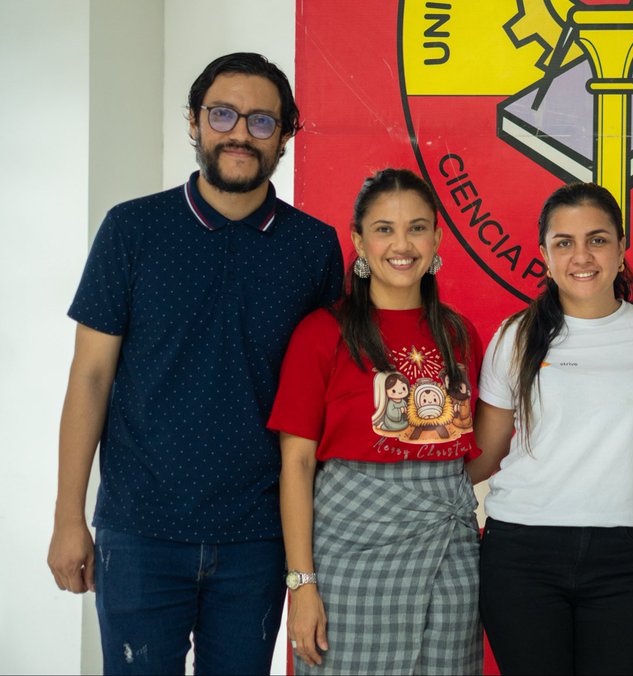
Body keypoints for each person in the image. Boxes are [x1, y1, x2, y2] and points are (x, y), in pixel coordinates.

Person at [46, 52, 343, 674]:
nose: (240, 133)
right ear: (194, 122)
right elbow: (90, 377)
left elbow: (320, 399)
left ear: (286, 135)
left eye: (262, 121)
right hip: (140, 527)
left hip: (257, 537)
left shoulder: (313, 247)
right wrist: (68, 517)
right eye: (223, 114)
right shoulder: (132, 229)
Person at [269, 168, 484, 674]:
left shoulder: (460, 333)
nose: (402, 244)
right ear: (359, 241)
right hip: (350, 560)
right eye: (384, 229)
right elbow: (296, 466)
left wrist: (429, 491)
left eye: (417, 227)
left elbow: (466, 450)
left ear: (436, 236)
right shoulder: (321, 334)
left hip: (450, 558)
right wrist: (302, 585)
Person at [468, 183, 633, 675]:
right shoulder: (515, 336)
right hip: (521, 554)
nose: (581, 255)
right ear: (544, 255)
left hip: (619, 557)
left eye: (597, 240)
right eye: (564, 242)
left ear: (622, 248)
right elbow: (486, 453)